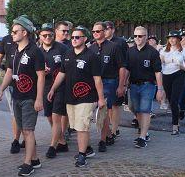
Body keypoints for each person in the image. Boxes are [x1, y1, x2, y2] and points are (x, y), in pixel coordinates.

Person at [48, 26, 105, 168]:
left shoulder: (92, 56)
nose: (74, 39)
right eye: (72, 37)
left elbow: (97, 79)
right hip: (70, 97)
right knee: (77, 126)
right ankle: (88, 149)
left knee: (82, 127)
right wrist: (53, 88)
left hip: (86, 97)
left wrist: (101, 98)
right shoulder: (68, 53)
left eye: (77, 37)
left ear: (85, 39)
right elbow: (62, 73)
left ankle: (82, 155)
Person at [0, 16, 45, 177]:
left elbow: (41, 76)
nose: (12, 34)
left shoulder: (35, 51)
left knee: (28, 130)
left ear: (24, 32)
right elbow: (10, 71)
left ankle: (27, 163)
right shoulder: (13, 50)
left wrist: (39, 99)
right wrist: (2, 89)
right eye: (12, 31)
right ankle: (35, 159)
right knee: (24, 129)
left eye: (15, 31)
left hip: (30, 97)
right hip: (16, 95)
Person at [126, 26, 164, 148]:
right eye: (135, 36)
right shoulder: (130, 51)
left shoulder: (153, 52)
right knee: (136, 109)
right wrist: (123, 83)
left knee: (145, 110)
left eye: (140, 36)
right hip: (133, 85)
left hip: (148, 85)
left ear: (146, 37)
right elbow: (127, 69)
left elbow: (158, 72)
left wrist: (160, 89)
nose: (137, 38)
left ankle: (142, 137)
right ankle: (144, 131)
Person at [0, 29, 23, 154]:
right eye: (13, 30)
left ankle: (28, 136)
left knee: (25, 112)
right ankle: (16, 140)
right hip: (10, 82)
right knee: (15, 112)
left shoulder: (30, 42)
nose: (13, 33)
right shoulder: (6, 40)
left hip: (26, 84)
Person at [90, 22, 125, 153]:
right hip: (93, 82)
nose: (95, 34)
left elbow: (122, 67)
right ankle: (109, 134)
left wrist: (121, 85)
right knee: (94, 111)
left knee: (103, 111)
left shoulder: (114, 47)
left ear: (105, 32)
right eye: (93, 32)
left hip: (109, 82)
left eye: (98, 31)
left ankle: (102, 140)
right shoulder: (91, 48)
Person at [37, 23, 69, 158]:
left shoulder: (62, 48)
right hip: (46, 86)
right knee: (49, 117)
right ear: (40, 36)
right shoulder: (37, 51)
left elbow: (68, 66)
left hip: (61, 87)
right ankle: (62, 142)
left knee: (56, 117)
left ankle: (52, 146)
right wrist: (41, 72)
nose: (47, 37)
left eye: (50, 35)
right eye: (44, 35)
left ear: (53, 35)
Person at [160, 30, 185, 135]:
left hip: (179, 75)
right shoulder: (164, 50)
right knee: (171, 101)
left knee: (174, 100)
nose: (171, 40)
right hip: (166, 76)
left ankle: (175, 126)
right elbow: (159, 64)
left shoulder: (184, 51)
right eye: (170, 38)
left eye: (174, 38)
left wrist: (181, 66)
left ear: (178, 39)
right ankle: (177, 119)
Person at [103, 21, 130, 139]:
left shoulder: (120, 43)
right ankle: (109, 128)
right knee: (106, 106)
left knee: (115, 105)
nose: (105, 31)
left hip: (117, 77)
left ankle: (114, 130)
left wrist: (124, 82)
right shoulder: (99, 43)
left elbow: (125, 62)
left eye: (107, 29)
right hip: (104, 79)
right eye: (103, 29)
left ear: (113, 30)